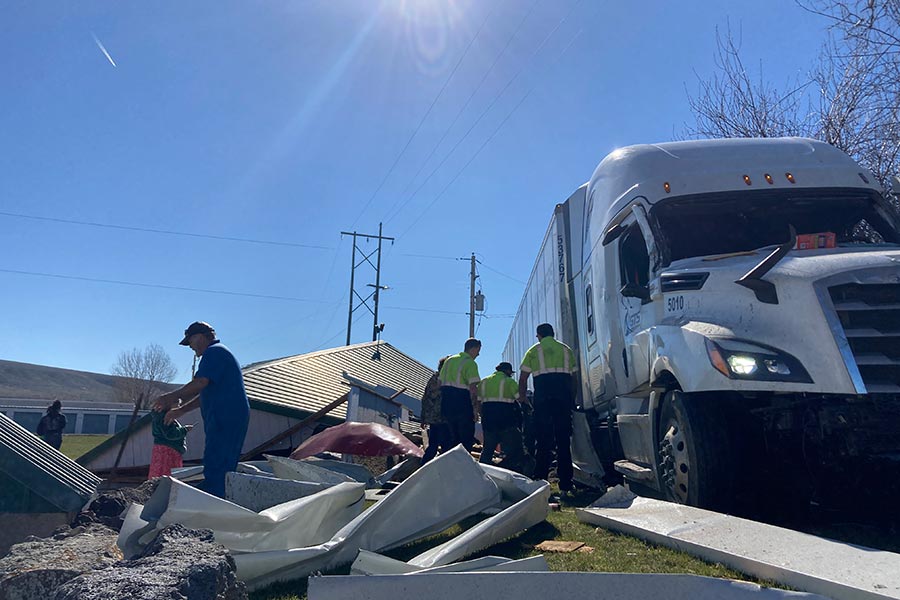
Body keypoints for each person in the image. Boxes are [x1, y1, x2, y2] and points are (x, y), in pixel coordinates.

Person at [152, 321, 250, 498]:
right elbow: (206, 393)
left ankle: (214, 500)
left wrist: (170, 397)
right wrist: (180, 410)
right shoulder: (217, 353)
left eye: (189, 341)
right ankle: (215, 494)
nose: (190, 346)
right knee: (217, 459)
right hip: (225, 416)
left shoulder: (214, 352)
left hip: (225, 416)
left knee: (218, 461)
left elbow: (200, 383)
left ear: (200, 337)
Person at [518, 323, 578, 495]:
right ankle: (566, 485)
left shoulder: (533, 351)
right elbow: (574, 379)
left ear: (539, 335)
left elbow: (523, 379)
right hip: (563, 399)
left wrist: (523, 399)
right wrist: (571, 399)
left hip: (543, 400)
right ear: (553, 333)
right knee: (563, 441)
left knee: (543, 441)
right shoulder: (566, 350)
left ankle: (540, 482)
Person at [478, 362, 527, 474]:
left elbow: (478, 402)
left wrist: (482, 415)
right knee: (512, 450)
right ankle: (511, 473)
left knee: (487, 450)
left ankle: (481, 474)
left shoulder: (484, 381)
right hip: (506, 422)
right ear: (508, 371)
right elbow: (520, 398)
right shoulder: (509, 381)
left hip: (489, 421)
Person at [438, 338, 481, 452]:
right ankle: (463, 467)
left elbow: (439, 382)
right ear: (474, 348)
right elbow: (473, 389)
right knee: (465, 440)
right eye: (478, 350)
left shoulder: (449, 360)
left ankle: (448, 465)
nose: (478, 354)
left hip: (446, 404)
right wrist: (475, 409)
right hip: (461, 403)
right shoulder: (470, 363)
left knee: (450, 439)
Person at [420, 356, 452, 465]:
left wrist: (423, 418)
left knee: (433, 446)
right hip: (443, 418)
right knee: (446, 447)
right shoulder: (445, 379)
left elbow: (425, 398)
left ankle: (423, 467)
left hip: (433, 418)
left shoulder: (433, 378)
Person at [148, 409, 191, 478]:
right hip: (169, 451)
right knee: (167, 476)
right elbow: (170, 434)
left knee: (158, 474)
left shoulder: (159, 417)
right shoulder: (165, 418)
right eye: (177, 404)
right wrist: (184, 430)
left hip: (163, 450)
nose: (179, 407)